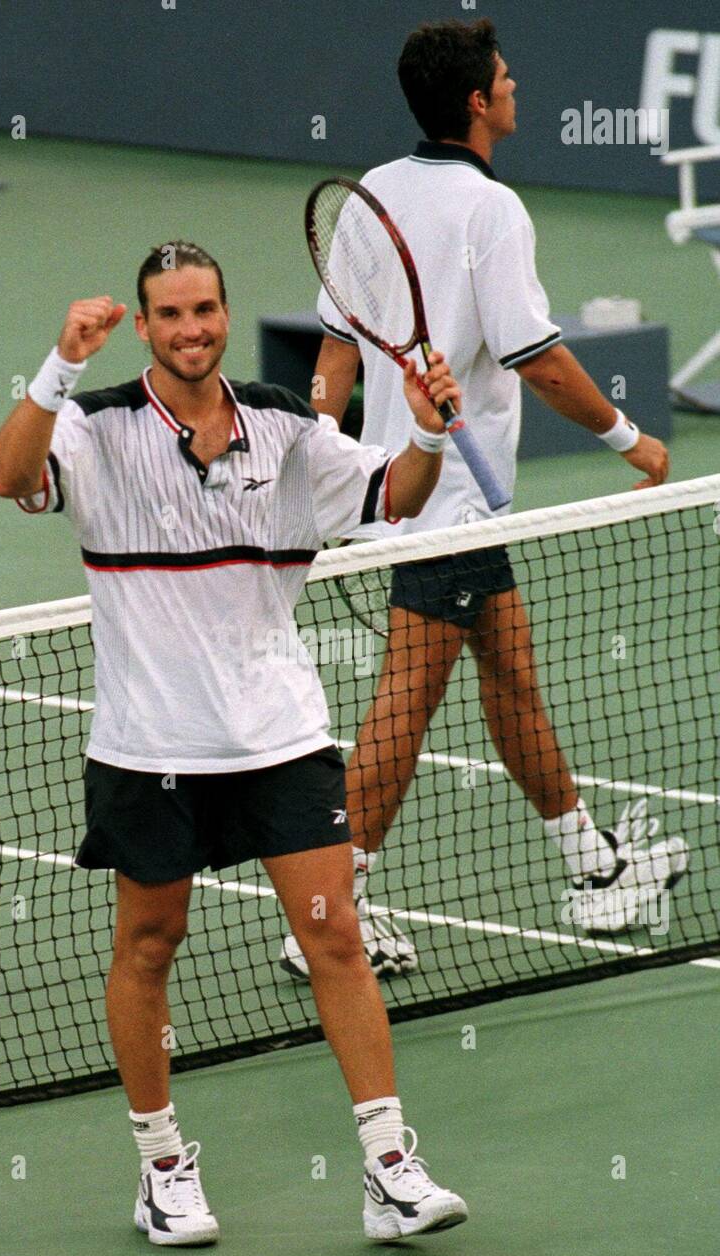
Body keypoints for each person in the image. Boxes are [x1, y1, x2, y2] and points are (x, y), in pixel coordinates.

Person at [0, 240, 470, 1246]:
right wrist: (58, 364)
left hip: (278, 738)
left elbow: (396, 497)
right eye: (169, 314)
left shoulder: (287, 428)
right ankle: (161, 1166)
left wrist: (426, 431)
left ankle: (389, 1164)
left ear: (223, 310)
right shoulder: (97, 423)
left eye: (204, 309)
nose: (191, 329)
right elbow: (6, 476)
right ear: (144, 321)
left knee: (335, 933)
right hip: (148, 748)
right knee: (149, 946)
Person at [280, 17, 688, 981]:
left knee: (509, 676)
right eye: (504, 77)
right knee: (403, 708)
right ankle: (330, 914)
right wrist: (631, 440)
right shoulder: (491, 211)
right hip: (444, 508)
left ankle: (593, 868)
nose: (515, 87)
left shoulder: (375, 193)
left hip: (409, 495)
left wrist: (325, 450)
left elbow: (332, 350)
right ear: (476, 102)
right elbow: (536, 357)